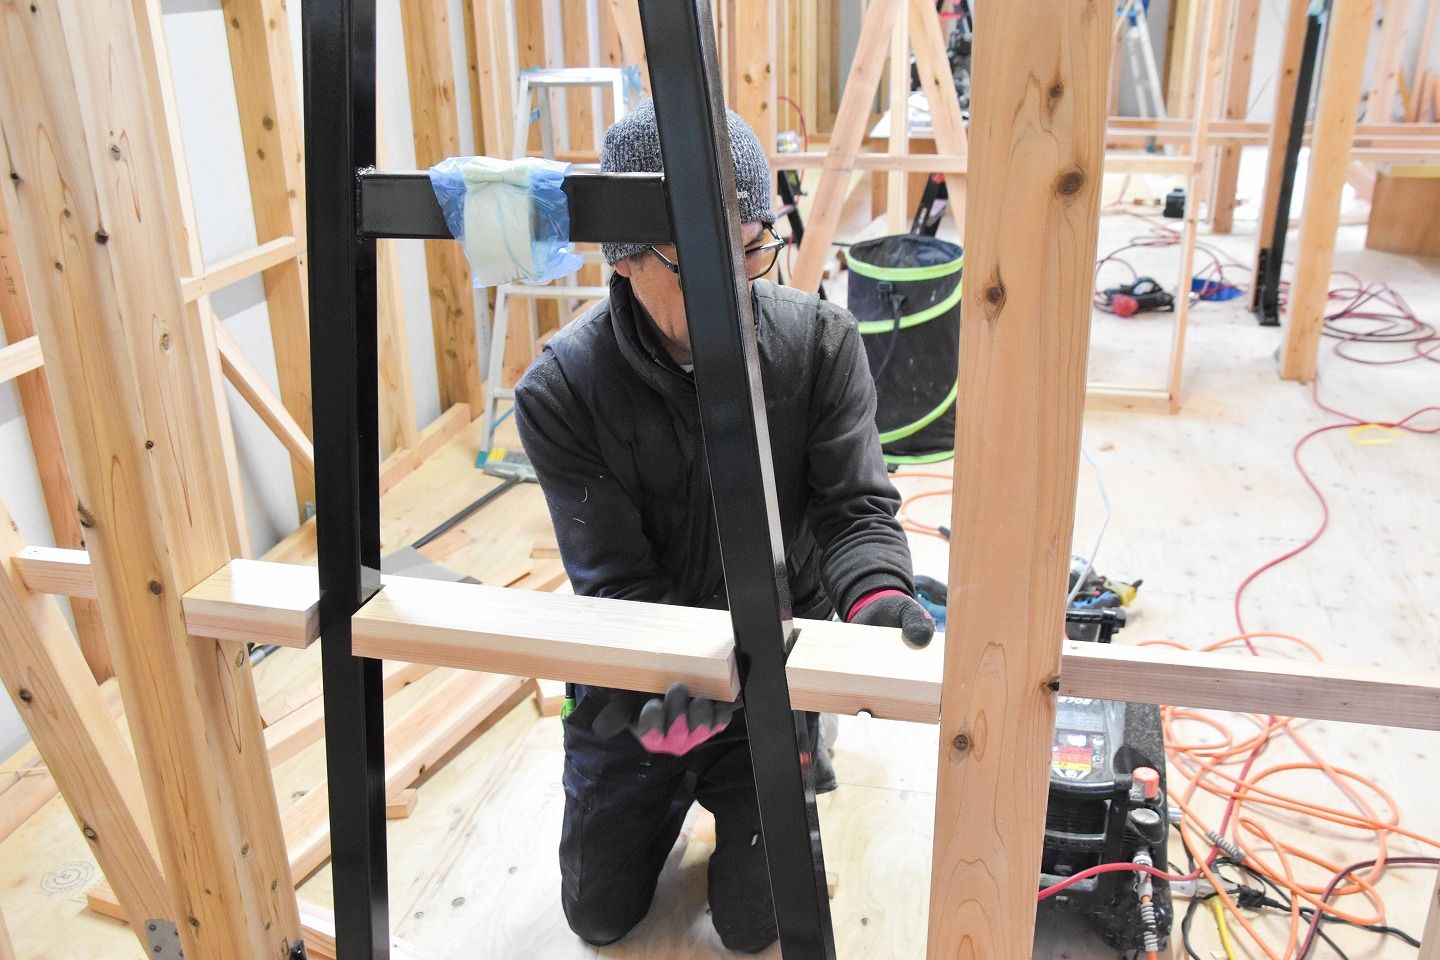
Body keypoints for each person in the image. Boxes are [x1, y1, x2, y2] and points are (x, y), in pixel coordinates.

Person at [513, 101, 933, 954]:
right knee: (600, 916)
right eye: (700, 261)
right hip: (649, 686)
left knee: (755, 928)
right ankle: (661, 796)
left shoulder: (819, 345)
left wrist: (877, 600)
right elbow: (616, 583)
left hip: (775, 675)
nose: (735, 282)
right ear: (625, 258)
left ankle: (775, 764)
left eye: (751, 247)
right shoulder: (563, 392)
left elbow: (854, 511)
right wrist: (677, 695)